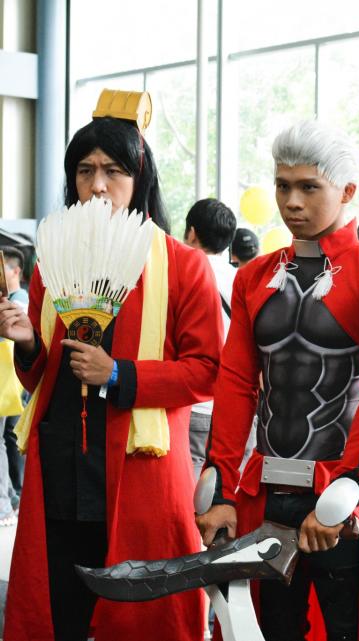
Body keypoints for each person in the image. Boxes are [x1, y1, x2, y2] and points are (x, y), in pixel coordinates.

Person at [0, 93, 223, 641]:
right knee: (58, 608)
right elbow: (42, 377)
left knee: (142, 615)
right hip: (59, 466)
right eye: (84, 171)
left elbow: (207, 370)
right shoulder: (51, 263)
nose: (97, 185)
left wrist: (119, 374)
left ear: (139, 177)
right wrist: (27, 345)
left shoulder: (184, 265)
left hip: (139, 471)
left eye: (113, 171)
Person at [196, 120, 359, 641]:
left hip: (340, 492)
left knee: (345, 629)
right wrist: (222, 483)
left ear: (347, 192)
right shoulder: (253, 278)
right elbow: (236, 383)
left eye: (308, 187)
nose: (291, 202)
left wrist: (348, 488)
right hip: (266, 490)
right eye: (282, 185)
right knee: (271, 628)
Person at [183, 197, 238, 480]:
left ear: (191, 232)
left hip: (194, 404)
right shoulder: (239, 280)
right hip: (231, 407)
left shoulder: (182, 274)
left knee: (189, 491)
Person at [0, 247, 28, 523]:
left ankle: (7, 503)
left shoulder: (18, 302)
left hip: (10, 381)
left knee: (8, 439)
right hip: (14, 382)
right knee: (11, 439)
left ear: (15, 271)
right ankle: (15, 497)